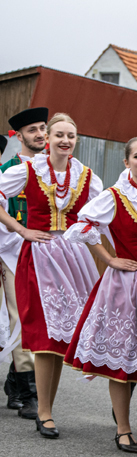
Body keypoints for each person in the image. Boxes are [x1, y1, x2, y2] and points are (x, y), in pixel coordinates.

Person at [63, 136, 137, 455]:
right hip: (125, 283)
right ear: (126, 162)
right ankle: (123, 428)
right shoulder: (115, 195)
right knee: (122, 356)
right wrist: (109, 258)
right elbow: (83, 226)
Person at [0, 113, 103, 439]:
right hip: (40, 255)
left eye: (70, 135)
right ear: (49, 138)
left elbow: (100, 219)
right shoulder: (29, 170)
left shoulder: (87, 176)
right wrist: (20, 229)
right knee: (44, 336)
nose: (64, 140)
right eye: (58, 134)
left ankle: (46, 407)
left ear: (76, 139)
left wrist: (109, 260)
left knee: (60, 339)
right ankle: (44, 412)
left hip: (73, 258)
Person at [1, 107, 48, 420]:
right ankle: (30, 393)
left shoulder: (56, 168)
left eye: (43, 127)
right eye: (32, 129)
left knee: (42, 318)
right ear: (19, 136)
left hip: (48, 253)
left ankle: (16, 383)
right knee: (20, 317)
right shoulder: (8, 168)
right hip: (12, 251)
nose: (40, 134)